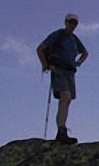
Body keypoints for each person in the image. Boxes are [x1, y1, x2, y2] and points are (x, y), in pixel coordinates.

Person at [37, 13, 88, 144]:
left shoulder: (74, 39)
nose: (73, 25)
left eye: (75, 23)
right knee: (65, 97)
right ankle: (61, 131)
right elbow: (40, 49)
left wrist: (78, 62)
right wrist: (46, 65)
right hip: (59, 70)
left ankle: (62, 130)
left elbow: (85, 52)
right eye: (71, 22)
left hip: (70, 72)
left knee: (67, 100)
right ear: (66, 22)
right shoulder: (59, 35)